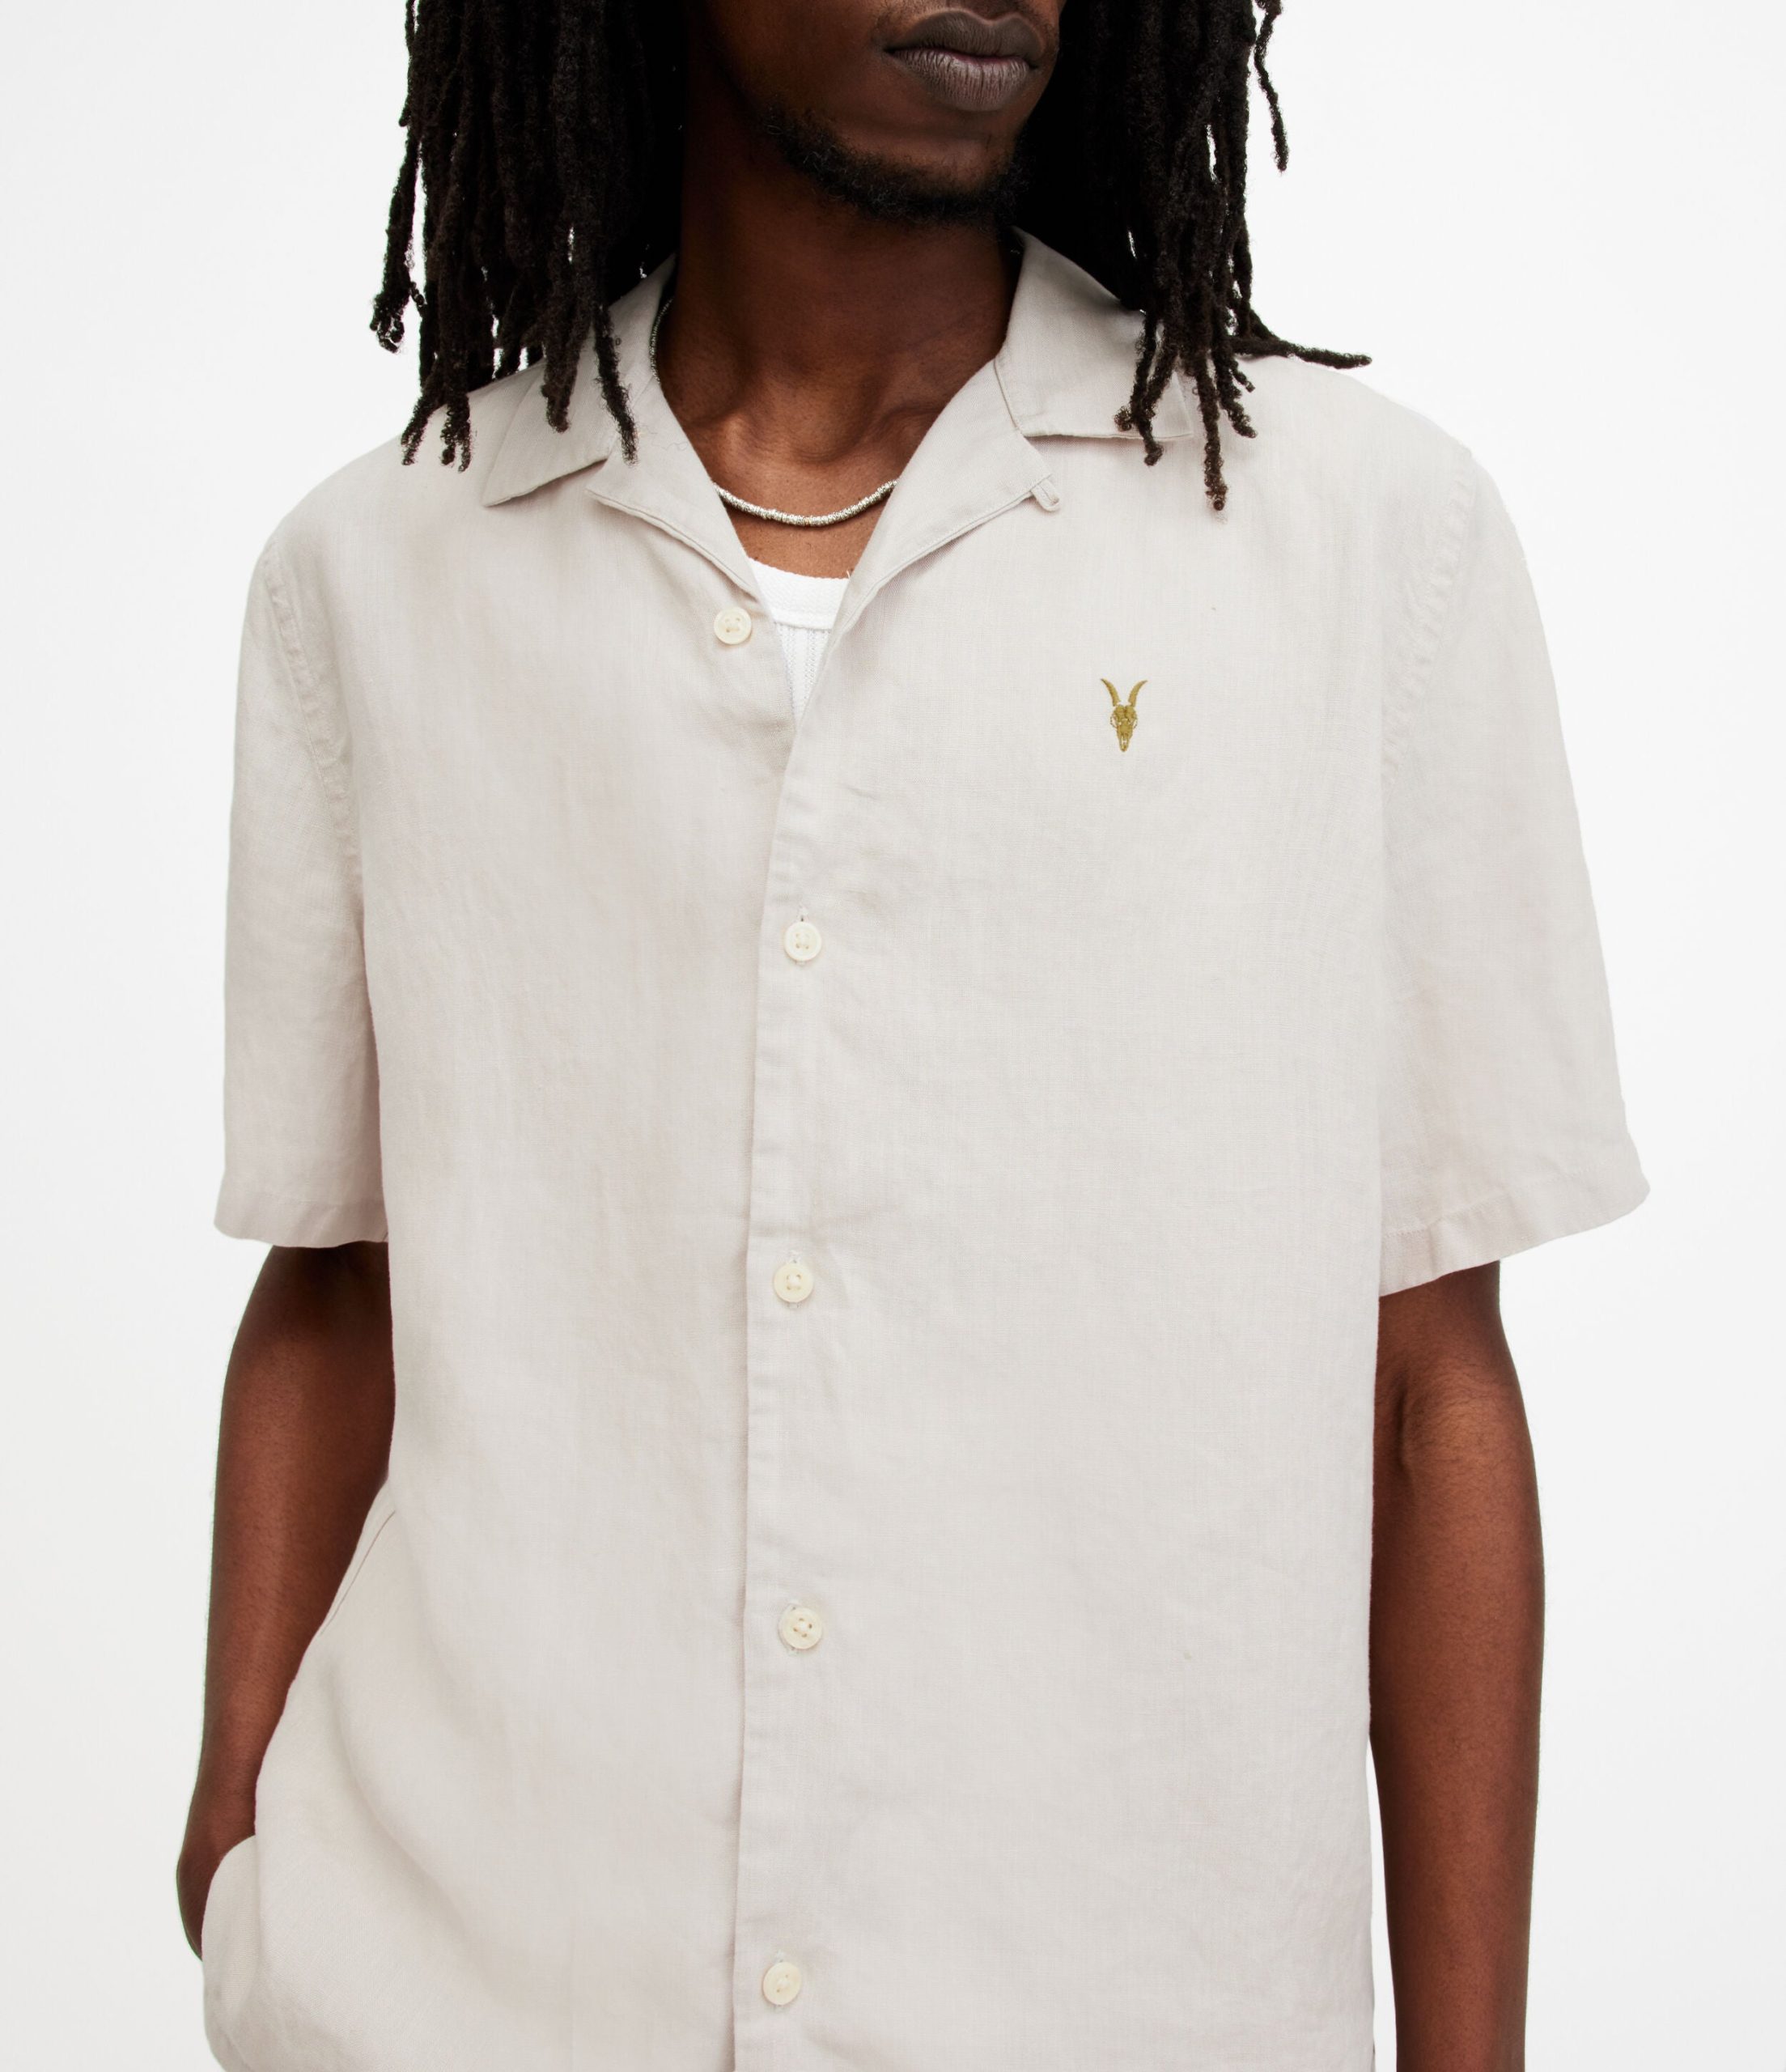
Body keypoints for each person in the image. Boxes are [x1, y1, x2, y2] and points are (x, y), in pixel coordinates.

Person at [178, 3, 1648, 2068]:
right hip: (470, 1993)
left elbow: (1430, 1384)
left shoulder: (1360, 546)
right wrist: (236, 1846)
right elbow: (337, 1277)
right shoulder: (381, 571)